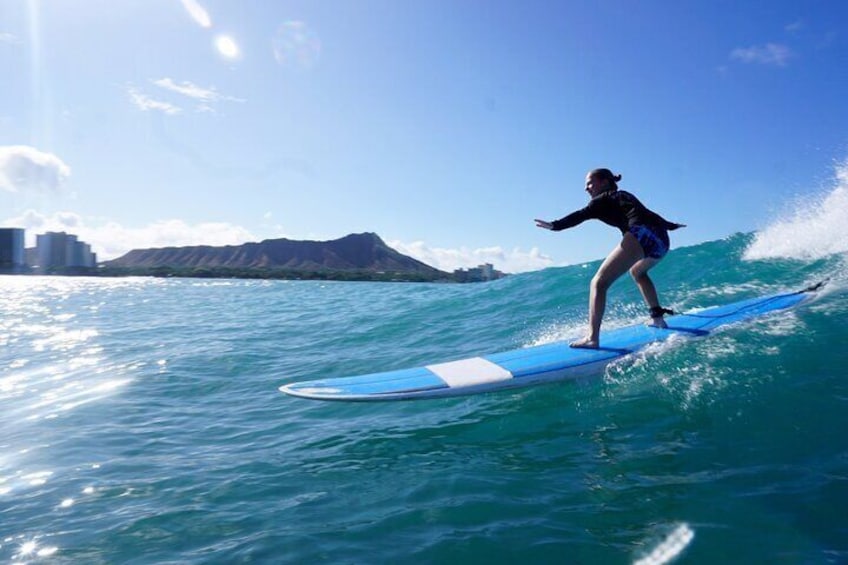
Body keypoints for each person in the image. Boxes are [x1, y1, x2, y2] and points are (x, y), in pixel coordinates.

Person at [535, 168, 685, 348]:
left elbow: (580, 215)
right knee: (638, 272)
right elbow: (651, 214)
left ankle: (592, 338)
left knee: (598, 283)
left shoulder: (601, 200)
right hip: (661, 240)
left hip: (641, 233)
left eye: (590, 183)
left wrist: (555, 225)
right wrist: (672, 225)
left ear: (605, 182)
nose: (587, 189)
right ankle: (658, 319)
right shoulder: (624, 195)